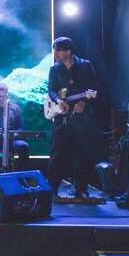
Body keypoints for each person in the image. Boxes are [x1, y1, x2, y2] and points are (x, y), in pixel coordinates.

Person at [47, 37, 98, 198]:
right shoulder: (55, 68)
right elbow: (51, 89)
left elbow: (94, 87)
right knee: (57, 152)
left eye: (58, 50)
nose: (55, 54)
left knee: (81, 153)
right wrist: (58, 100)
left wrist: (83, 102)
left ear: (68, 51)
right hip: (61, 116)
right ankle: (53, 187)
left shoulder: (84, 65)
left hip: (80, 118)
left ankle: (81, 189)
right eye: (54, 51)